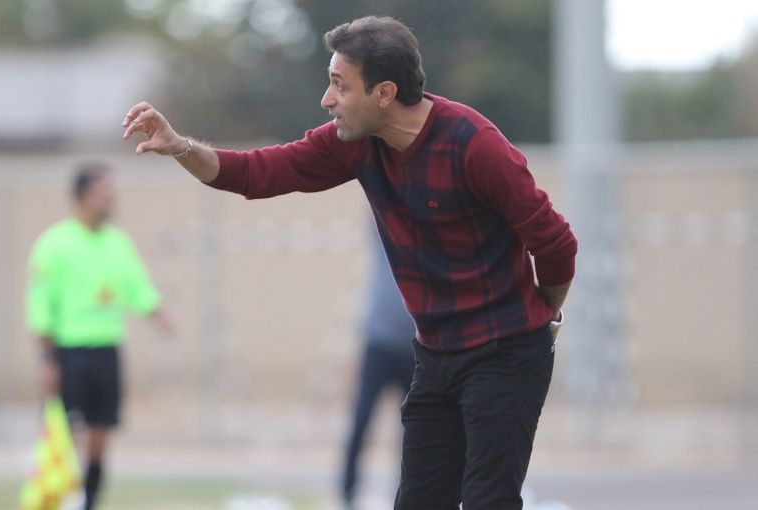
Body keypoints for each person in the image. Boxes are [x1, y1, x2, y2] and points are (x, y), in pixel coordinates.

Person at [121, 16, 577, 510]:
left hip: (504, 354)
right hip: (436, 356)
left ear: (384, 93)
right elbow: (256, 172)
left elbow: (556, 244)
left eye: (340, 85)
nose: (327, 99)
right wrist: (181, 147)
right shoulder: (354, 143)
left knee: (489, 501)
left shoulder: (474, 144)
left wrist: (545, 318)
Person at [26, 162, 171, 510]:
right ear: (81, 196)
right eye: (102, 191)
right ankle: (63, 497)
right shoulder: (54, 244)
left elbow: (137, 287)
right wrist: (48, 359)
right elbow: (40, 302)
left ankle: (89, 502)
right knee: (68, 433)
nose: (110, 198)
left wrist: (157, 311)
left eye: (111, 191)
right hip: (70, 353)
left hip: (107, 350)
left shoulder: (118, 243)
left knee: (101, 435)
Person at [342, 228, 416, 509]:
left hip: (414, 348)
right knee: (361, 419)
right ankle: (348, 491)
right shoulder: (386, 233)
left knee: (413, 430)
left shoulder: (426, 242)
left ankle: (404, 494)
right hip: (379, 342)